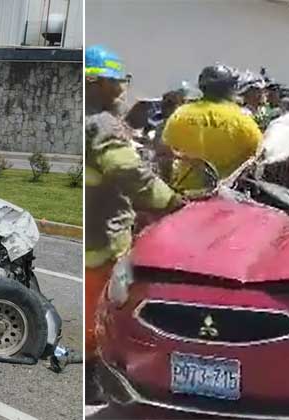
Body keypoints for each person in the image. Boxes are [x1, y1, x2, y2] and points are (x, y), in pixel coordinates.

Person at [84, 45, 183, 396]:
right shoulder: (102, 123)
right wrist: (171, 202)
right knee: (105, 312)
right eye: (117, 83)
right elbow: (130, 173)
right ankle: (95, 380)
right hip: (103, 239)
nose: (123, 89)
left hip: (91, 234)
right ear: (95, 83)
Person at [162, 64, 263, 191]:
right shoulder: (242, 120)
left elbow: (164, 154)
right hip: (225, 195)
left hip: (186, 193)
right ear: (230, 88)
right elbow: (258, 155)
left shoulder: (181, 114)